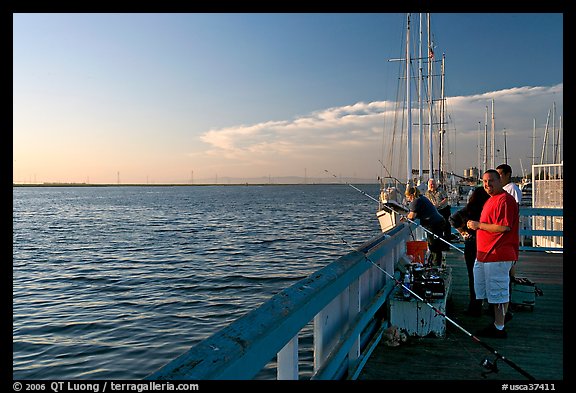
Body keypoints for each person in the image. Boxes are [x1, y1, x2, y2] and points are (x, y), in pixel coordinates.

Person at [467, 169, 519, 338]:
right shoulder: (491, 200)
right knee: (485, 291)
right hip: (485, 254)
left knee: (498, 291)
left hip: (498, 254)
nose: (487, 185)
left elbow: (504, 227)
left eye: (491, 181)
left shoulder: (505, 200)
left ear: (499, 181)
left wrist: (478, 225)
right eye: (484, 182)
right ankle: (499, 320)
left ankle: (499, 327)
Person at [449, 186, 490, 316]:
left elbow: (453, 219)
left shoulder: (469, 209)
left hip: (472, 243)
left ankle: (475, 305)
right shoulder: (488, 209)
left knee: (473, 275)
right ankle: (490, 304)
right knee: (488, 275)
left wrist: (463, 232)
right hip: (486, 244)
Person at [404, 186, 449, 267]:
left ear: (411, 195)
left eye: (407, 197)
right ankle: (436, 263)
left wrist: (405, 217)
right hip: (438, 221)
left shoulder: (415, 201)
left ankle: (436, 266)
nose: (408, 199)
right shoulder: (422, 198)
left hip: (434, 224)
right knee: (435, 245)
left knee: (434, 246)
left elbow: (412, 216)